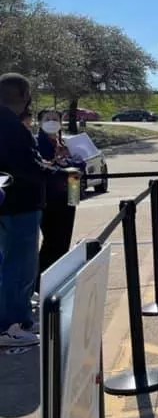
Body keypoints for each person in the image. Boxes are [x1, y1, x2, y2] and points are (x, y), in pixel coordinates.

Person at [0, 73, 57, 346]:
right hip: (19, 205)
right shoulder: (11, 126)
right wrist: (57, 172)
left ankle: (18, 317)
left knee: (10, 264)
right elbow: (27, 166)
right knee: (19, 267)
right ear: (24, 96)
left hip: (8, 204)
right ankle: (11, 326)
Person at [35, 109, 77, 288]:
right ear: (40, 122)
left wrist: (68, 162)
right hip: (50, 199)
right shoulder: (37, 143)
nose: (52, 122)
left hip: (71, 195)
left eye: (55, 119)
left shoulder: (65, 142)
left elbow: (79, 162)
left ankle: (55, 282)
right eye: (47, 119)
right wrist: (59, 165)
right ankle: (40, 283)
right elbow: (40, 167)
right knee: (52, 242)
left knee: (63, 242)